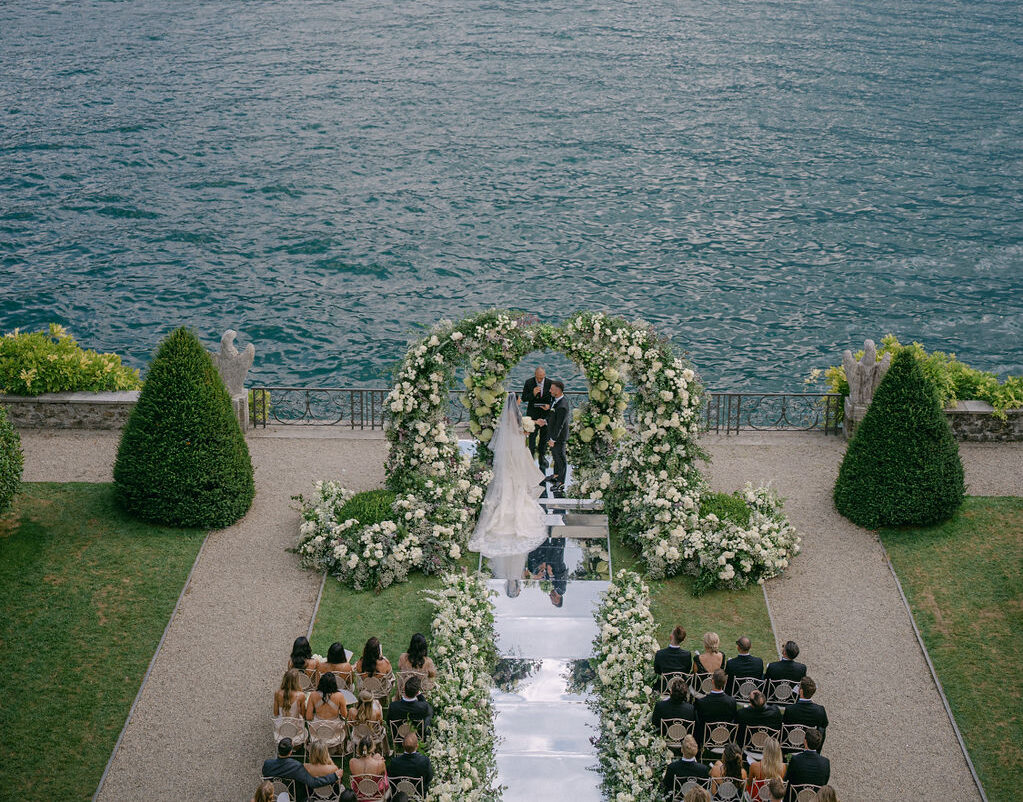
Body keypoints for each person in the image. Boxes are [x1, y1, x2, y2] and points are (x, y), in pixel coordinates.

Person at [469, 392, 549, 579]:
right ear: (516, 401)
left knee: (508, 484)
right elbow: (516, 432)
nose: (520, 401)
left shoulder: (509, 415)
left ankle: (503, 511)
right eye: (519, 399)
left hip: (510, 452)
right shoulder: (514, 415)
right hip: (515, 450)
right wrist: (525, 431)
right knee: (516, 482)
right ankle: (511, 516)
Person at [262, 737, 342, 802]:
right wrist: (334, 776)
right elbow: (313, 782)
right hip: (294, 794)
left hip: (275, 792)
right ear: (290, 752)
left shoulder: (267, 764)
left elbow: (267, 778)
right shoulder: (296, 767)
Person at [784, 729, 830, 800]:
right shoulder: (825, 762)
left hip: (794, 797)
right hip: (814, 798)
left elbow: (787, 778)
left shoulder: (795, 759)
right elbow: (824, 783)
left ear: (805, 741)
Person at [783, 677, 829, 748]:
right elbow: (825, 724)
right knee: (822, 729)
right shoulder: (820, 710)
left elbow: (784, 724)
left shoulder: (790, 709)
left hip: (790, 742)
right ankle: (816, 750)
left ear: (801, 691)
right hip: (809, 742)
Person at [521, 366, 552, 469]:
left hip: (545, 414)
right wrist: (533, 394)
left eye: (542, 378)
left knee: (544, 437)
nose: (540, 380)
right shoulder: (529, 382)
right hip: (533, 414)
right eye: (538, 378)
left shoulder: (550, 383)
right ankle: (530, 457)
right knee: (532, 437)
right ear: (535, 375)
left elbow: (553, 398)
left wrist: (549, 406)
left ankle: (542, 457)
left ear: (545, 375)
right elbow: (524, 398)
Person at [543, 380, 570, 496]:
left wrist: (553, 439)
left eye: (552, 389)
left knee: (561, 459)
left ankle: (560, 483)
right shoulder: (555, 401)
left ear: (558, 391)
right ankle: (556, 479)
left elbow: (560, 425)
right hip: (554, 436)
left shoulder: (562, 406)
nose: (550, 391)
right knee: (556, 458)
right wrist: (545, 421)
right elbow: (553, 417)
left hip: (559, 437)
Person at [694, 669, 736, 743]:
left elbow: (699, 722)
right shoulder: (732, 702)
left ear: (712, 681)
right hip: (724, 737)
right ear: (725, 682)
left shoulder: (702, 702)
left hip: (706, 737)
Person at [349, 735, 389, 802]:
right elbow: (384, 776)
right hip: (377, 794)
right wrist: (379, 760)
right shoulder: (380, 764)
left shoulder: (352, 762)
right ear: (372, 748)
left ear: (359, 748)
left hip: (360, 794)